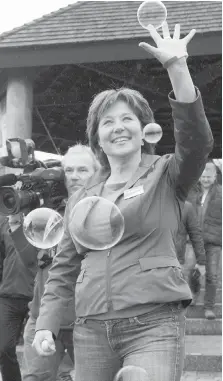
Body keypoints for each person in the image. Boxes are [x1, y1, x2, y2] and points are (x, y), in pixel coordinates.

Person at [33, 22, 213, 381]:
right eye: (107, 122)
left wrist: (177, 68)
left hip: (154, 322)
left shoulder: (167, 174)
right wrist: (46, 323)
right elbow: (64, 267)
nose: (118, 127)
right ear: (97, 138)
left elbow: (196, 143)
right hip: (90, 328)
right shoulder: (83, 196)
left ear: (143, 131)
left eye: (127, 119)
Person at [22, 144, 100, 381]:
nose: (74, 176)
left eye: (82, 170)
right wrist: (20, 214)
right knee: (35, 378)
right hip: (44, 315)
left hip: (88, 319)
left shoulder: (105, 208)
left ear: (97, 172)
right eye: (69, 170)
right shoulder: (47, 209)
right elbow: (29, 260)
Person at [0, 212, 38, 381]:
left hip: (37, 295)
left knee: (41, 353)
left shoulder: (43, 215)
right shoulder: (4, 222)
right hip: (8, 295)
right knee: (3, 348)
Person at [188, 160, 222, 319]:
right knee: (191, 272)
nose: (206, 179)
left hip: (213, 242)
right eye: (203, 176)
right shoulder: (191, 192)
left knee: (212, 275)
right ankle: (193, 295)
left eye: (209, 176)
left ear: (215, 177)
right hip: (194, 240)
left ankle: (209, 307)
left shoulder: (221, 194)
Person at [175, 200, 206, 304]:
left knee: (188, 274)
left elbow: (195, 233)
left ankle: (192, 293)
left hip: (180, 253)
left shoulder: (186, 206)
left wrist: (201, 261)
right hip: (158, 255)